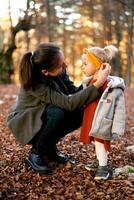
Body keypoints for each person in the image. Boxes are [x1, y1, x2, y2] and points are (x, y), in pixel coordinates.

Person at [7, 43, 111, 174]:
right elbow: (68, 103)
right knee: (56, 112)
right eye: (61, 65)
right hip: (26, 121)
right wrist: (98, 84)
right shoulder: (35, 83)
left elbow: (73, 94)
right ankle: (36, 153)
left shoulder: (59, 71)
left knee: (79, 112)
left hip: (42, 113)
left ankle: (48, 146)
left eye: (63, 61)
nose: (65, 66)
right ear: (45, 72)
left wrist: (93, 80)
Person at [80, 45, 125, 180]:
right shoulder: (90, 82)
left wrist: (118, 127)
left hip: (102, 120)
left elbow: (120, 108)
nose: (82, 67)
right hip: (91, 118)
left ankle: (103, 168)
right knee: (95, 141)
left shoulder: (112, 86)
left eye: (85, 64)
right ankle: (99, 161)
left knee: (100, 143)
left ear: (98, 65)